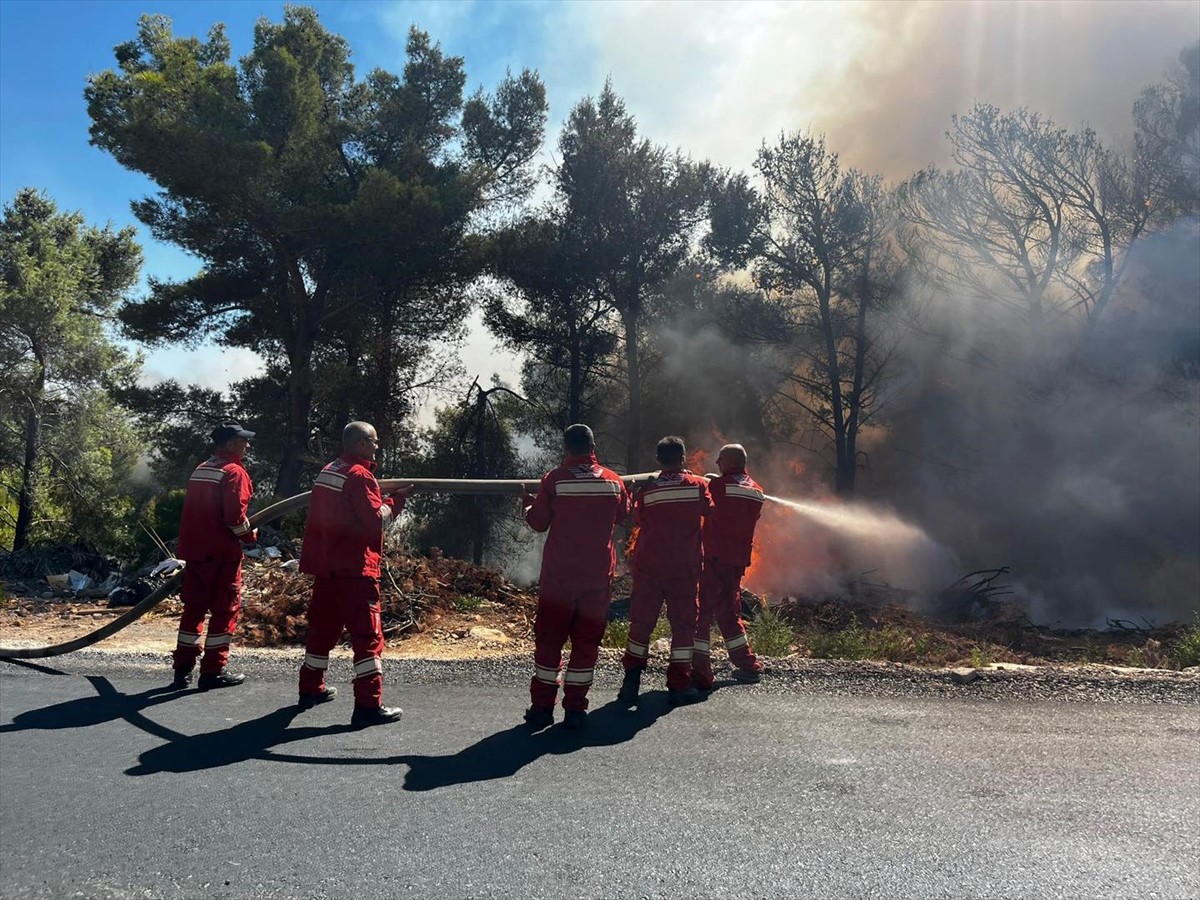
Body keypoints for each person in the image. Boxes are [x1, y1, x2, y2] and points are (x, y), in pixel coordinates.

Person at [297, 421, 415, 727]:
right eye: (374, 442)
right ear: (362, 444)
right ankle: (368, 705)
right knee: (367, 636)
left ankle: (310, 688)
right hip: (353, 568)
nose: (377, 447)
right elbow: (376, 521)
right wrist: (397, 500)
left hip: (328, 567)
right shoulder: (360, 476)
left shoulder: (329, 470)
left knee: (323, 629)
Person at [520, 424, 630, 730]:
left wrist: (527, 503)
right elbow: (622, 515)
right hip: (596, 578)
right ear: (593, 447)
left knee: (549, 642)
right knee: (586, 644)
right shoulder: (613, 481)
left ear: (566, 448)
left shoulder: (554, 479)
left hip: (560, 578)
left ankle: (542, 709)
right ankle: (576, 711)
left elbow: (539, 522)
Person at [619, 436, 713, 706]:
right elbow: (710, 509)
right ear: (683, 458)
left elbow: (637, 518)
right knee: (683, 626)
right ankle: (679, 684)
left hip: (649, 565)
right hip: (682, 567)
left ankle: (631, 680)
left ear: (658, 460)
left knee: (640, 623)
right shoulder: (696, 486)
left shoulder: (648, 489)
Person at [171, 422, 257, 690]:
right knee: (224, 610)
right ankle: (212, 671)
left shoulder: (202, 469)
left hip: (195, 553)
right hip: (221, 554)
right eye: (243, 441)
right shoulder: (233, 472)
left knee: (193, 610)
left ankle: (182, 671)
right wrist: (249, 535)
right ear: (230, 444)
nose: (247, 445)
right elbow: (234, 517)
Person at [694, 443, 765, 690]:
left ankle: (701, 671)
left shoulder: (717, 487)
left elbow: (704, 504)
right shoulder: (757, 491)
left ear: (730, 461)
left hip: (713, 559)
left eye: (720, 460)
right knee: (729, 614)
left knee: (700, 614)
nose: (717, 464)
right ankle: (748, 666)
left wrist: (712, 483)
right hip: (736, 561)